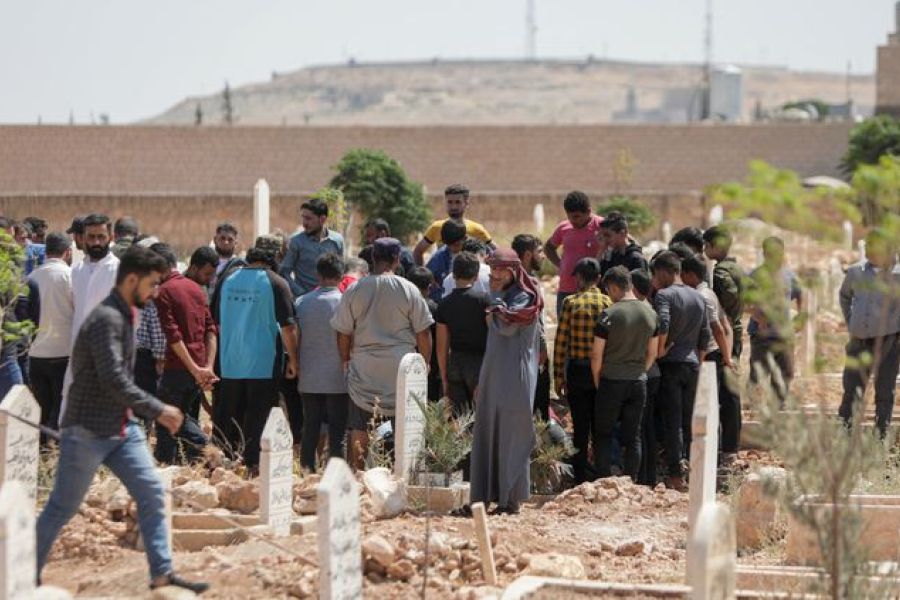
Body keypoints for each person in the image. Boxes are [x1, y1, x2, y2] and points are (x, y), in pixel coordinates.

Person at [37, 246, 208, 594]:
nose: (156, 292)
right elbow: (113, 379)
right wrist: (159, 409)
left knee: (152, 492)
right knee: (62, 506)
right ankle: (22, 573)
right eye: (152, 284)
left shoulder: (127, 313)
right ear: (132, 280)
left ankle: (162, 573)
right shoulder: (106, 319)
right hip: (87, 429)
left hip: (122, 427)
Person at [330, 238, 434, 469]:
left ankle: (357, 476)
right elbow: (423, 332)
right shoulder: (409, 289)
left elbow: (343, 333)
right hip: (401, 369)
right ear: (397, 259)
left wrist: (345, 359)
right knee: (403, 428)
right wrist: (424, 364)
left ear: (373, 258)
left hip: (364, 369)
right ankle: (402, 475)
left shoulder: (355, 289)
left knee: (360, 426)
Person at [469, 248, 543, 515]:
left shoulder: (524, 297)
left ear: (513, 271)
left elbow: (509, 325)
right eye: (492, 270)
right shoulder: (499, 295)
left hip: (515, 374)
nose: (495, 275)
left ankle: (509, 501)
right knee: (488, 431)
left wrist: (496, 303)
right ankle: (485, 497)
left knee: (511, 435)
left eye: (500, 270)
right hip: (494, 372)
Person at [213, 238, 298, 470]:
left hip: (230, 361)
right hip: (263, 362)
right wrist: (294, 360)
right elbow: (288, 328)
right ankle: (253, 463)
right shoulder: (276, 282)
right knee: (259, 414)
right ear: (273, 261)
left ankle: (226, 460)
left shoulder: (227, 280)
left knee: (231, 413)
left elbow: (216, 320)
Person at [152, 243, 217, 464]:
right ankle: (179, 464)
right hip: (195, 367)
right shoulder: (196, 289)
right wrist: (207, 366)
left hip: (178, 368)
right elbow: (211, 330)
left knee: (167, 416)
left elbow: (174, 336)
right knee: (180, 415)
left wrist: (195, 369)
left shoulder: (164, 291)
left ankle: (206, 449)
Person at [591, 267, 659, 480]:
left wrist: (598, 381)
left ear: (612, 287)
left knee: (603, 433)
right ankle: (631, 481)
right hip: (638, 382)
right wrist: (639, 371)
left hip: (611, 380)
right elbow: (652, 353)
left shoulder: (609, 315)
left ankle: (603, 480)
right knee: (633, 436)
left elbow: (596, 355)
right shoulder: (651, 313)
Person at [651, 251, 711, 491]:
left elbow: (664, 322)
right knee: (689, 422)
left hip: (671, 365)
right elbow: (705, 334)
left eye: (656, 274)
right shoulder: (698, 296)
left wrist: (660, 350)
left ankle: (676, 474)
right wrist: (699, 361)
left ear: (663, 272)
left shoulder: (664, 295)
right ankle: (693, 470)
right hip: (693, 364)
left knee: (672, 422)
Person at [553, 257, 611, 483]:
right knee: (600, 428)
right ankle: (601, 477)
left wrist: (559, 376)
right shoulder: (608, 302)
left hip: (577, 372)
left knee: (580, 429)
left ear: (578, 277)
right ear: (599, 278)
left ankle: (579, 478)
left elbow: (561, 342)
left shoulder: (570, 302)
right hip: (602, 373)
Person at [838, 229, 900, 437]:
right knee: (851, 391)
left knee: (884, 392)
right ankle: (845, 437)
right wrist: (851, 321)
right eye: (868, 246)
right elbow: (845, 296)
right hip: (858, 342)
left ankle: (880, 438)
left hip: (888, 343)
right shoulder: (855, 272)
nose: (869, 251)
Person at [295, 253, 350, 472]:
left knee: (311, 426)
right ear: (341, 276)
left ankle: (307, 471)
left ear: (317, 275)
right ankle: (335, 474)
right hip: (338, 376)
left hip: (309, 376)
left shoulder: (301, 302)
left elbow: (296, 338)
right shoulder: (345, 302)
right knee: (337, 429)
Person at [682, 254, 741, 458]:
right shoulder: (709, 293)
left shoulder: (703, 297)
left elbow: (717, 328)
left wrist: (726, 358)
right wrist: (727, 356)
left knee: (707, 405)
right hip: (715, 354)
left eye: (683, 275)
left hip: (708, 356)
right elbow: (726, 325)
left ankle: (711, 452)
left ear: (690, 275)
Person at [745, 237, 802, 409]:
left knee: (786, 371)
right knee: (758, 373)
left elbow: (801, 295)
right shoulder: (754, 276)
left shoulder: (789, 276)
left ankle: (778, 405)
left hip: (784, 334)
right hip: (761, 334)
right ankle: (753, 406)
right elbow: (743, 303)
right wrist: (757, 316)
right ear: (764, 254)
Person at [27, 232, 73, 437]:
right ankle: (54, 446)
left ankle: (43, 446)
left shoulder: (32, 276)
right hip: (63, 352)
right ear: (68, 252)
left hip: (36, 353)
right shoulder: (70, 276)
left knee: (42, 406)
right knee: (60, 405)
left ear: (46, 251)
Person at [436, 252, 491, 415]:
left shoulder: (444, 305)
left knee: (460, 418)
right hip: (481, 364)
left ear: (453, 275)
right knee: (482, 417)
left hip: (456, 365)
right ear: (476, 276)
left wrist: (444, 378)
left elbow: (442, 346)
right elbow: (494, 337)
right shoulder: (484, 301)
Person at [545, 191, 604, 317]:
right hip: (566, 290)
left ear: (588, 211)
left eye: (577, 217)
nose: (573, 221)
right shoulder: (563, 228)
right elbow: (549, 247)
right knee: (564, 327)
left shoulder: (601, 226)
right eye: (569, 216)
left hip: (593, 291)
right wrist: (560, 265)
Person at [512, 234, 551, 421]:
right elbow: (535, 321)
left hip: (523, 351)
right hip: (530, 351)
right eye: (539, 252)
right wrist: (542, 348)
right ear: (528, 255)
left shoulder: (520, 279)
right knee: (537, 405)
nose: (543, 256)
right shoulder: (525, 283)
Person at [630, 268, 662, 487]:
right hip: (652, 373)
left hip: (643, 373)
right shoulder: (651, 309)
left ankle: (644, 477)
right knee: (646, 426)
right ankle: (649, 475)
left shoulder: (640, 311)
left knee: (641, 427)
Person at [413, 184, 493, 266]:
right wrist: (421, 271)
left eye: (458, 202)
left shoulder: (477, 229)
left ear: (466, 203)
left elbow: (495, 252)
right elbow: (418, 251)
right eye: (450, 202)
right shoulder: (437, 227)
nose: (453, 207)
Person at [280, 198, 345, 297]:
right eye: (303, 218)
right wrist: (299, 292)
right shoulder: (296, 242)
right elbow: (284, 272)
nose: (304, 223)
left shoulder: (337, 240)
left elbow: (341, 270)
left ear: (322, 219)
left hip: (330, 300)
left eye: (308, 218)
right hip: (303, 300)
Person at [425, 219, 468, 302]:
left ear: (465, 238)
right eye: (449, 244)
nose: (452, 248)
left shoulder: (475, 253)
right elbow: (427, 277)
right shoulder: (438, 257)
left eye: (456, 244)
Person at [210, 222, 239, 289]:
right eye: (222, 238)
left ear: (235, 243)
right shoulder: (207, 262)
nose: (226, 242)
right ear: (215, 240)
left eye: (230, 240)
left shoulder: (239, 265)